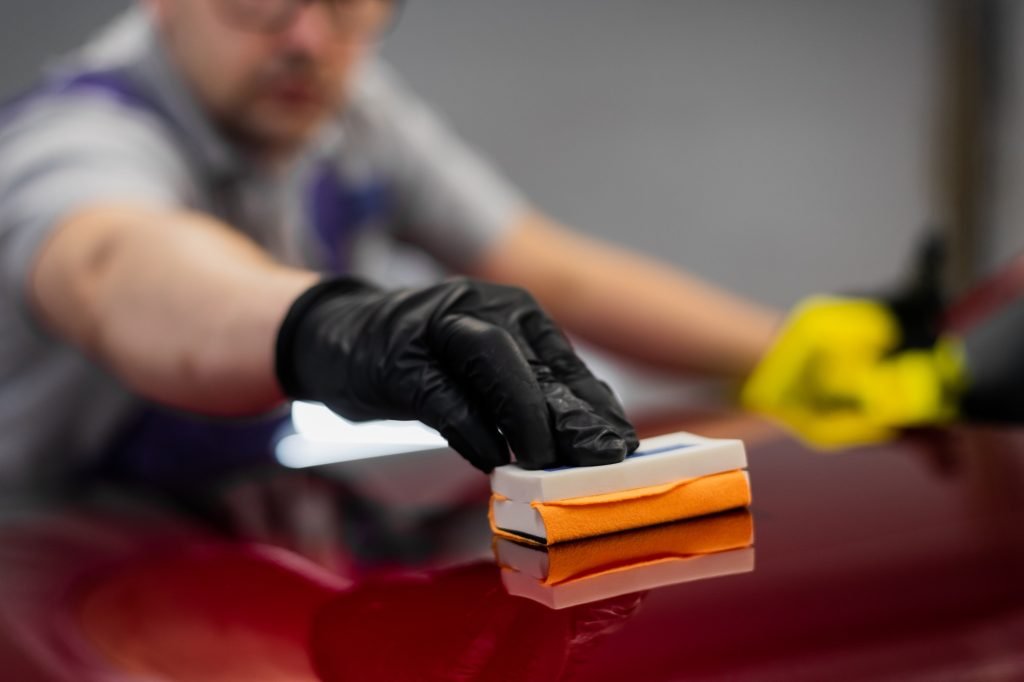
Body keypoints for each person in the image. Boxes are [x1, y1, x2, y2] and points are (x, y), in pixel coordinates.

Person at [0, 0, 779, 490]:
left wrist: (797, 348)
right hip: (46, 550)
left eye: (348, 4)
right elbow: (111, 269)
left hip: (228, 528)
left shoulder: (349, 111)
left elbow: (548, 269)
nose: (308, 36)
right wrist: (334, 324)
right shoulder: (74, 137)